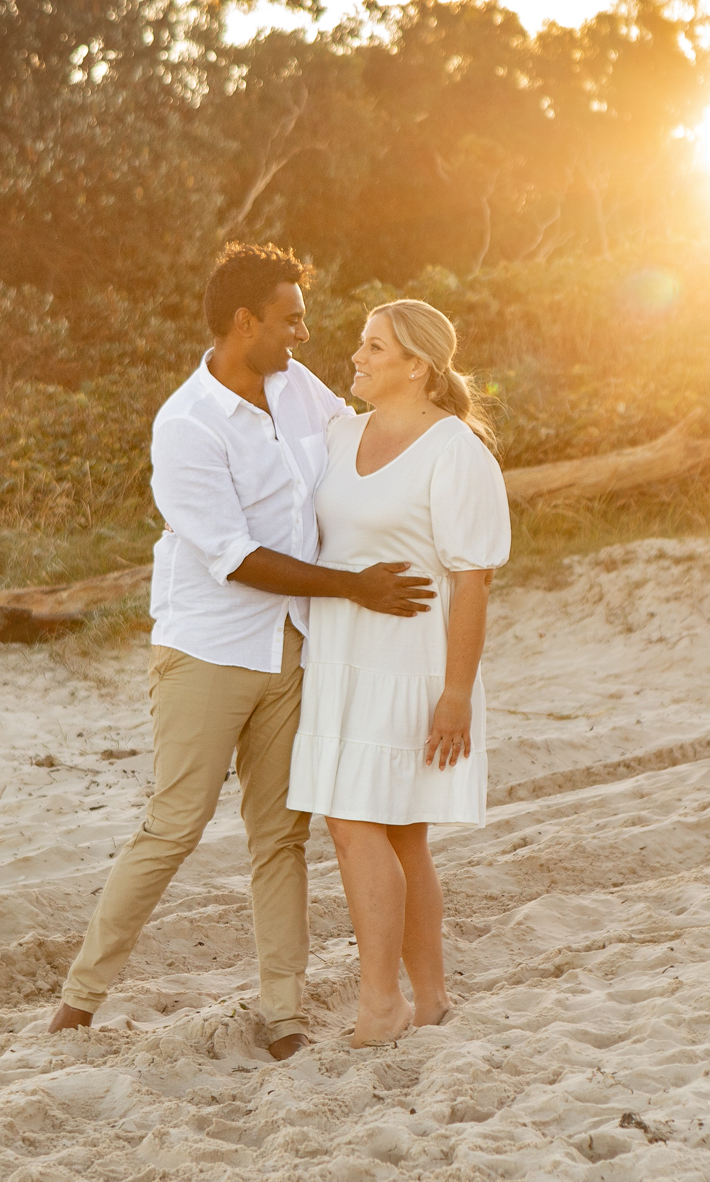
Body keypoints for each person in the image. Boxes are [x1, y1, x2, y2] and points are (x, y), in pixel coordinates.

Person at [47, 244, 434, 1061]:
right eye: (290, 317)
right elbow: (236, 556)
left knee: (279, 836)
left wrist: (442, 439)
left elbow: (358, 441)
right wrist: (354, 585)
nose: (303, 331)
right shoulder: (184, 425)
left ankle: (285, 1015)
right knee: (173, 824)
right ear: (243, 322)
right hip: (208, 649)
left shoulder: (297, 386)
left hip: (292, 644)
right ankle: (79, 999)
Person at [286, 299, 510, 1047]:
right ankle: (433, 1000)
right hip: (342, 658)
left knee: (352, 823)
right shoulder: (340, 432)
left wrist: (455, 694)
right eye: (361, 343)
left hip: (411, 665)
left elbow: (472, 580)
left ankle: (382, 1003)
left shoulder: (456, 450)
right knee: (401, 834)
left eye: (374, 346)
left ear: (417, 364)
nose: (358, 355)